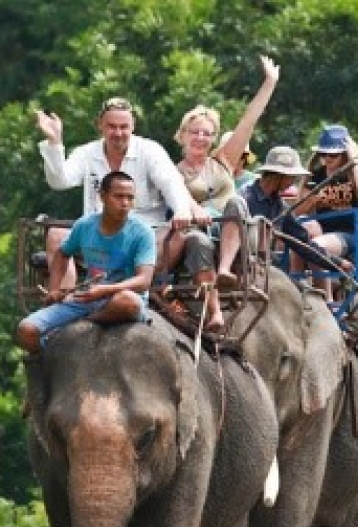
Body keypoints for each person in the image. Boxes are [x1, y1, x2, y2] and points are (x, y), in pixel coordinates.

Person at [36, 96, 193, 287]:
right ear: (100, 126)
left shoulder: (150, 151)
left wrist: (182, 210)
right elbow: (60, 181)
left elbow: (172, 183)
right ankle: (66, 300)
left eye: (124, 127)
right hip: (97, 235)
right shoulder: (86, 153)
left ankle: (133, 287)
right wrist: (54, 143)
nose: (118, 133)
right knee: (55, 235)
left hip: (143, 235)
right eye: (112, 126)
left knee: (177, 236)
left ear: (133, 126)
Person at [167, 55, 280, 289]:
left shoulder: (223, 160)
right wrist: (196, 210)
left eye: (207, 133)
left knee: (236, 203)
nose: (200, 138)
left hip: (236, 231)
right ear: (183, 134)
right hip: (199, 232)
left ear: (213, 138)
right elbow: (178, 196)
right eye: (195, 132)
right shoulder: (171, 171)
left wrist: (269, 83)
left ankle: (226, 269)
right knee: (195, 236)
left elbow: (248, 121)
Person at [16, 171, 155, 353]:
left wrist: (103, 290)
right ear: (102, 197)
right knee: (26, 330)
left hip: (119, 298)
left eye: (130, 198)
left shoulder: (142, 232)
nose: (125, 204)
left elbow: (144, 280)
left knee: (129, 302)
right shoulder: (85, 225)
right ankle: (46, 359)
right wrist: (55, 288)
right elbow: (62, 253)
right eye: (119, 197)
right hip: (85, 298)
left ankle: (82, 323)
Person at [187, 146, 312, 331]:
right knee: (235, 211)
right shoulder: (245, 195)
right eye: (291, 177)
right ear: (278, 176)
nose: (292, 182)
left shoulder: (280, 207)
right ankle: (224, 269)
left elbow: (302, 242)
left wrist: (336, 262)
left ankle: (227, 269)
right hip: (227, 247)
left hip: (252, 252)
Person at [292, 124, 358, 301]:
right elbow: (297, 210)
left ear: (344, 153)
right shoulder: (316, 176)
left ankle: (326, 300)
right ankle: (295, 285)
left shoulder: (355, 171)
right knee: (302, 231)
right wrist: (311, 201)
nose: (327, 159)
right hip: (321, 230)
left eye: (333, 155)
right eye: (323, 154)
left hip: (350, 235)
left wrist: (354, 159)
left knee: (316, 246)